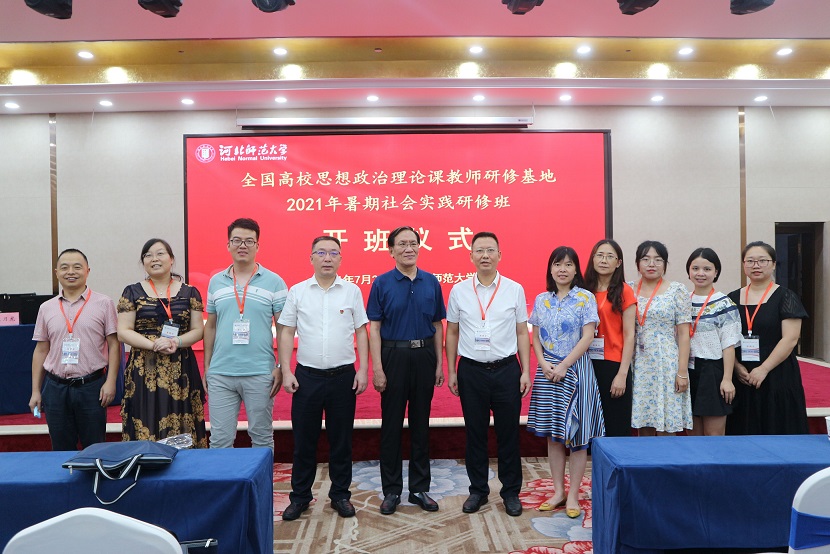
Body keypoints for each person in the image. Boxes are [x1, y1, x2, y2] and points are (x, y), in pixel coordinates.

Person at [278, 236, 370, 521]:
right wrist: (286, 370)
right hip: (307, 377)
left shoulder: (352, 291)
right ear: (311, 258)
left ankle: (340, 495)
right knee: (304, 441)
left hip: (343, 377)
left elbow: (362, 331)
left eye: (333, 253)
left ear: (340, 258)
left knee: (341, 441)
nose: (327, 258)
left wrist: (363, 369)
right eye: (321, 253)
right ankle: (300, 497)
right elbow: (286, 331)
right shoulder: (298, 291)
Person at [445, 232, 531, 517]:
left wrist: (525, 370)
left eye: (490, 250)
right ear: (471, 256)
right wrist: (451, 370)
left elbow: (522, 332)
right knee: (475, 433)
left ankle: (511, 492)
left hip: (507, 370)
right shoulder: (459, 290)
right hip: (471, 371)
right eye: (479, 250)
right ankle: (478, 490)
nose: (485, 255)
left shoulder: (514, 289)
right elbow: (452, 332)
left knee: (509, 434)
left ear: (499, 255)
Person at [367, 226, 446, 515]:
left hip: (424, 355)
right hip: (393, 356)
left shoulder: (431, 282)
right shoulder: (381, 283)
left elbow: (437, 325)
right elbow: (374, 328)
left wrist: (439, 363)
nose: (408, 249)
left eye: (413, 243)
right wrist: (378, 368)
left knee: (420, 424)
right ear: (391, 250)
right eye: (402, 244)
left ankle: (419, 488)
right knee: (391, 426)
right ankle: (391, 491)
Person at [527, 246, 604, 520]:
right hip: (548, 372)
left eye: (568, 264)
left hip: (576, 371)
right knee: (554, 435)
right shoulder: (541, 299)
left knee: (578, 438)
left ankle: (573, 495)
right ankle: (558, 491)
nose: (562, 269)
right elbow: (535, 336)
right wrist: (543, 364)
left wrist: (564, 365)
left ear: (576, 270)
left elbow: (588, 336)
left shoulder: (585, 298)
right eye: (558, 264)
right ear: (550, 269)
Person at [204, 218, 287, 451]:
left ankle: (261, 478)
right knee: (219, 441)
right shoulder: (216, 282)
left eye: (249, 241)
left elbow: (284, 328)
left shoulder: (275, 282)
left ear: (257, 246)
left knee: (262, 438)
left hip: (260, 372)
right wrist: (208, 367)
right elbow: (210, 326)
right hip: (221, 373)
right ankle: (224, 478)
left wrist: (281, 366)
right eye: (237, 240)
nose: (243, 245)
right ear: (228, 245)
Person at [117, 239, 207, 447]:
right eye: (148, 255)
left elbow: (198, 330)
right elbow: (123, 332)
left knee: (183, 420)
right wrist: (154, 344)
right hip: (144, 368)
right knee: (144, 417)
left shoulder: (190, 292)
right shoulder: (132, 292)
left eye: (160, 254)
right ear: (143, 262)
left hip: (181, 366)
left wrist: (176, 341)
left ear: (171, 259)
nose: (154, 259)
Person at [29, 248, 120, 451]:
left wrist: (111, 382)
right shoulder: (46, 308)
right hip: (55, 387)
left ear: (88, 271)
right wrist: (36, 390)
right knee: (60, 449)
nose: (71, 272)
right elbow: (41, 350)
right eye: (65, 267)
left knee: (95, 448)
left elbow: (114, 345)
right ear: (56, 273)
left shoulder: (104, 303)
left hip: (91, 386)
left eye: (77, 267)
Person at [726, 241, 809, 435]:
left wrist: (763, 369)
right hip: (742, 375)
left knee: (777, 428)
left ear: (773, 264)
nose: (756, 265)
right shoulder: (732, 298)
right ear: (744, 265)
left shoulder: (786, 296)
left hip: (776, 374)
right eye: (750, 261)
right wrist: (736, 367)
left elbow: (790, 339)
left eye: (762, 261)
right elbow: (726, 338)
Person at [628, 240, 693, 436]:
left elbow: (684, 334)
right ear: (637, 263)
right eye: (645, 259)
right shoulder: (627, 289)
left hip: (666, 362)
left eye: (658, 259)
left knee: (666, 423)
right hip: (636, 362)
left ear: (665, 264)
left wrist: (682, 372)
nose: (652, 264)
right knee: (643, 422)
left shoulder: (677, 290)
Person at [583, 239, 637, 439]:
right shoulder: (583, 290)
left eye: (609, 256)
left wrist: (622, 374)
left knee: (615, 427)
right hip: (585, 364)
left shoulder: (624, 291)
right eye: (599, 255)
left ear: (618, 263)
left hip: (613, 364)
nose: (603, 260)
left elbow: (629, 335)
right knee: (589, 427)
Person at [686, 248, 741, 436]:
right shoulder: (682, 301)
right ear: (689, 271)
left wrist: (727, 379)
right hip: (687, 371)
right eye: (695, 268)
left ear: (716, 272)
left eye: (707, 269)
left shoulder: (725, 303)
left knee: (713, 437)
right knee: (692, 437)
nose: (700, 273)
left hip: (713, 371)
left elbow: (728, 345)